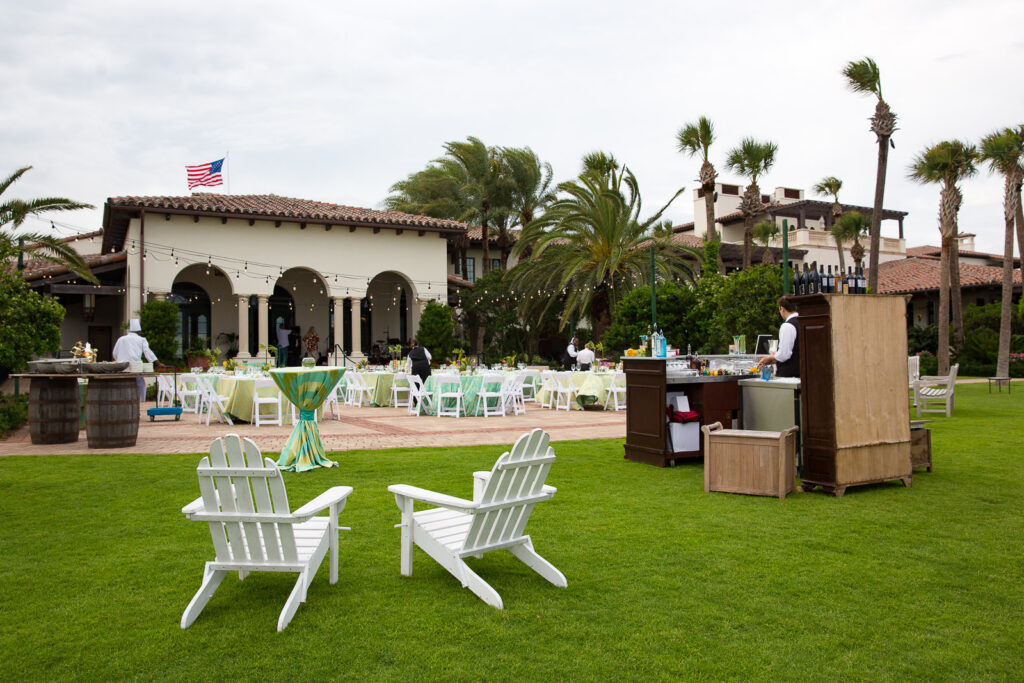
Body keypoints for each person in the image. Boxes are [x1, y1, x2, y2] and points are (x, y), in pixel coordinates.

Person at [112, 319, 159, 401]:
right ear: (139, 331)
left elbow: (114, 353)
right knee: (140, 385)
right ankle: (140, 403)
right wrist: (157, 363)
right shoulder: (141, 339)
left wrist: (120, 360)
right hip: (135, 368)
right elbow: (148, 352)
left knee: (123, 387)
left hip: (122, 368)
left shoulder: (121, 339)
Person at [757, 296, 800, 378]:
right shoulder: (803, 321)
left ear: (782, 308)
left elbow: (784, 355)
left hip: (788, 377)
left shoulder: (787, 326)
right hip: (802, 374)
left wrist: (770, 358)